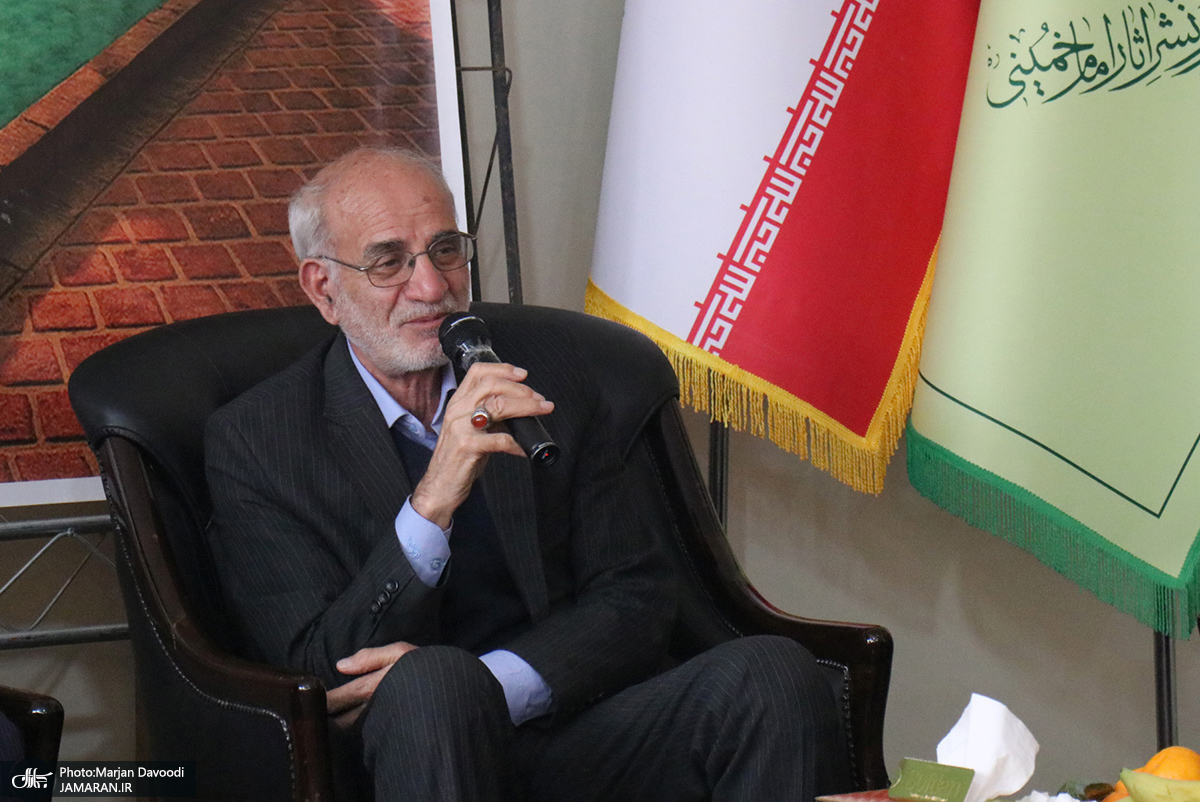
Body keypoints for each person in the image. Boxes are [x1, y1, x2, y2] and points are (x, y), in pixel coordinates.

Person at [205, 146, 851, 801]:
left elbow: (634, 592)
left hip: (570, 722)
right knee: (433, 685)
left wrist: (494, 686)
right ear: (323, 288)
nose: (431, 287)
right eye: (389, 262)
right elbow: (321, 669)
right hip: (413, 756)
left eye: (445, 250)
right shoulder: (259, 439)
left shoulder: (550, 375)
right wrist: (432, 503)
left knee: (773, 674)